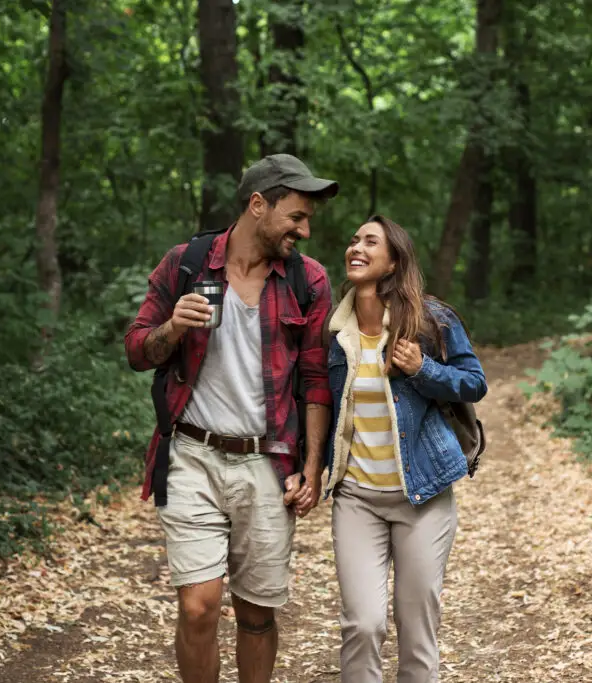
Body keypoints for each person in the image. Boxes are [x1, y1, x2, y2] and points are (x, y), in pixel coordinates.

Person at [124, 154, 338, 683]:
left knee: (256, 614)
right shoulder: (186, 264)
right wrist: (173, 327)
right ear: (257, 205)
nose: (305, 230)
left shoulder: (308, 281)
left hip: (266, 463)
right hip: (191, 456)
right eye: (296, 217)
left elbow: (314, 380)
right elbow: (136, 350)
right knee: (198, 606)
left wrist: (312, 467)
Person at [322, 215, 487, 682]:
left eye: (370, 241)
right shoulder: (334, 331)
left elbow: (474, 384)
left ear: (394, 260)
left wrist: (422, 369)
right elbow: (316, 401)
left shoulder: (432, 321)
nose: (356, 247)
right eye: (353, 239)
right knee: (363, 623)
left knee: (416, 630)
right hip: (357, 498)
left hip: (424, 495)